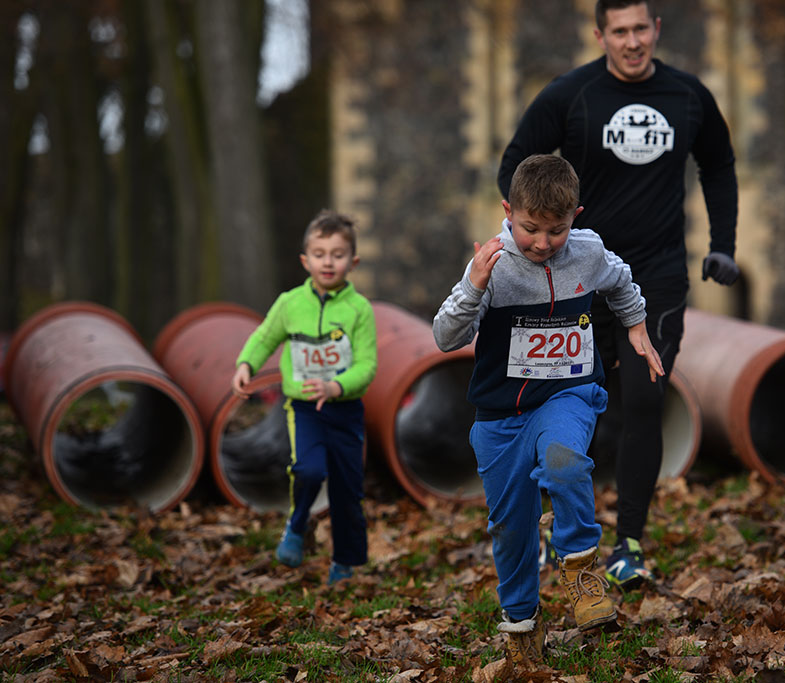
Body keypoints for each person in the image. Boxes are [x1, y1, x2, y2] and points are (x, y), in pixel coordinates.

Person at [497, 0, 739, 589]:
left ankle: (628, 541)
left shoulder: (688, 96)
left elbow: (719, 165)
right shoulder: (570, 95)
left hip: (656, 276)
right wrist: (537, 240)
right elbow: (513, 165)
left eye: (641, 30)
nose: (632, 42)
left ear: (657, 30)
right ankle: (569, 531)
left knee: (644, 399)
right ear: (600, 34)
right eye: (620, 31)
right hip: (579, 276)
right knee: (573, 400)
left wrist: (723, 242)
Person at [434, 154, 664, 666]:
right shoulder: (492, 265)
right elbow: (446, 337)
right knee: (511, 525)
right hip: (500, 415)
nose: (541, 243)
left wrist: (635, 326)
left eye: (556, 230)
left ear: (575, 216)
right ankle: (521, 629)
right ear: (507, 211)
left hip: (569, 394)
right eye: (529, 228)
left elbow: (621, 280)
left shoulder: (587, 253)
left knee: (564, 461)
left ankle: (584, 573)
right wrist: (472, 286)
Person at [231, 209, 378, 584]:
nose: (328, 262)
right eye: (319, 253)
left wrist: (337, 386)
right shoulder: (289, 303)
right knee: (309, 470)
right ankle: (297, 526)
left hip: (345, 410)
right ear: (305, 260)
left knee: (348, 489)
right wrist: (247, 363)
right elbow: (265, 336)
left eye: (338, 254)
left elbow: (367, 365)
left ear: (353, 261)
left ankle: (344, 563)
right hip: (304, 409)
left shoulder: (359, 310)